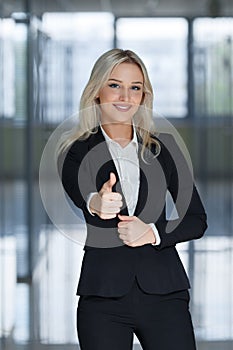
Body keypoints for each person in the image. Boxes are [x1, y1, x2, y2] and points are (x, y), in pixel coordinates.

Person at [60, 48, 207, 350]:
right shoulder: (75, 152)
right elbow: (82, 194)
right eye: (114, 85)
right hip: (103, 299)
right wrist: (97, 203)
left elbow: (196, 219)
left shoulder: (165, 149)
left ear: (143, 95)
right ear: (97, 91)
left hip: (165, 293)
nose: (125, 96)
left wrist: (152, 232)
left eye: (135, 87)